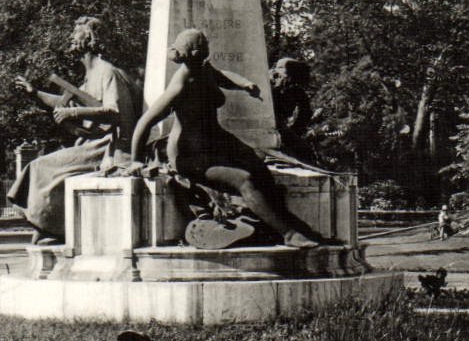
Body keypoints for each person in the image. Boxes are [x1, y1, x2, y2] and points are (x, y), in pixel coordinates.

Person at [129, 29, 329, 248]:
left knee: (258, 165)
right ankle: (289, 234)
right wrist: (136, 161)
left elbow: (221, 75)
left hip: (216, 141)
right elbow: (144, 122)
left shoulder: (202, 68)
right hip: (190, 155)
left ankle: (288, 226)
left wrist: (244, 84)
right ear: (194, 52)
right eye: (203, 47)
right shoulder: (180, 86)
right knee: (244, 179)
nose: (208, 50)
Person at [7, 17, 140, 244]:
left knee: (41, 168)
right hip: (90, 144)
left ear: (89, 40)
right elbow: (66, 102)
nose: (71, 38)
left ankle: (51, 227)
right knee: (43, 166)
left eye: (76, 34)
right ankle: (49, 225)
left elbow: (113, 111)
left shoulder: (107, 72)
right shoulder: (90, 74)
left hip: (107, 146)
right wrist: (35, 93)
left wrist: (73, 114)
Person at [270, 56, 317, 165]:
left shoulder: (298, 92)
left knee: (305, 151)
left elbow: (305, 115)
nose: (277, 73)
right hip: (265, 128)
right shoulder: (270, 90)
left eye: (281, 68)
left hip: (281, 128)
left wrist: (293, 132)